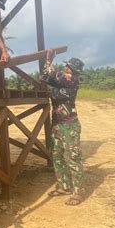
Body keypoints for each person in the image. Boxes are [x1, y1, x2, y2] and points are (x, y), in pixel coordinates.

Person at [40, 49, 85, 206]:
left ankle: (78, 192)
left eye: (69, 67)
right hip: (58, 124)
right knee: (57, 156)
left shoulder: (72, 80)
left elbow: (50, 75)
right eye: (67, 66)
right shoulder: (62, 79)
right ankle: (64, 186)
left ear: (74, 71)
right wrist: (48, 65)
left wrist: (49, 61)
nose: (67, 69)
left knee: (73, 158)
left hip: (69, 125)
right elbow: (45, 76)